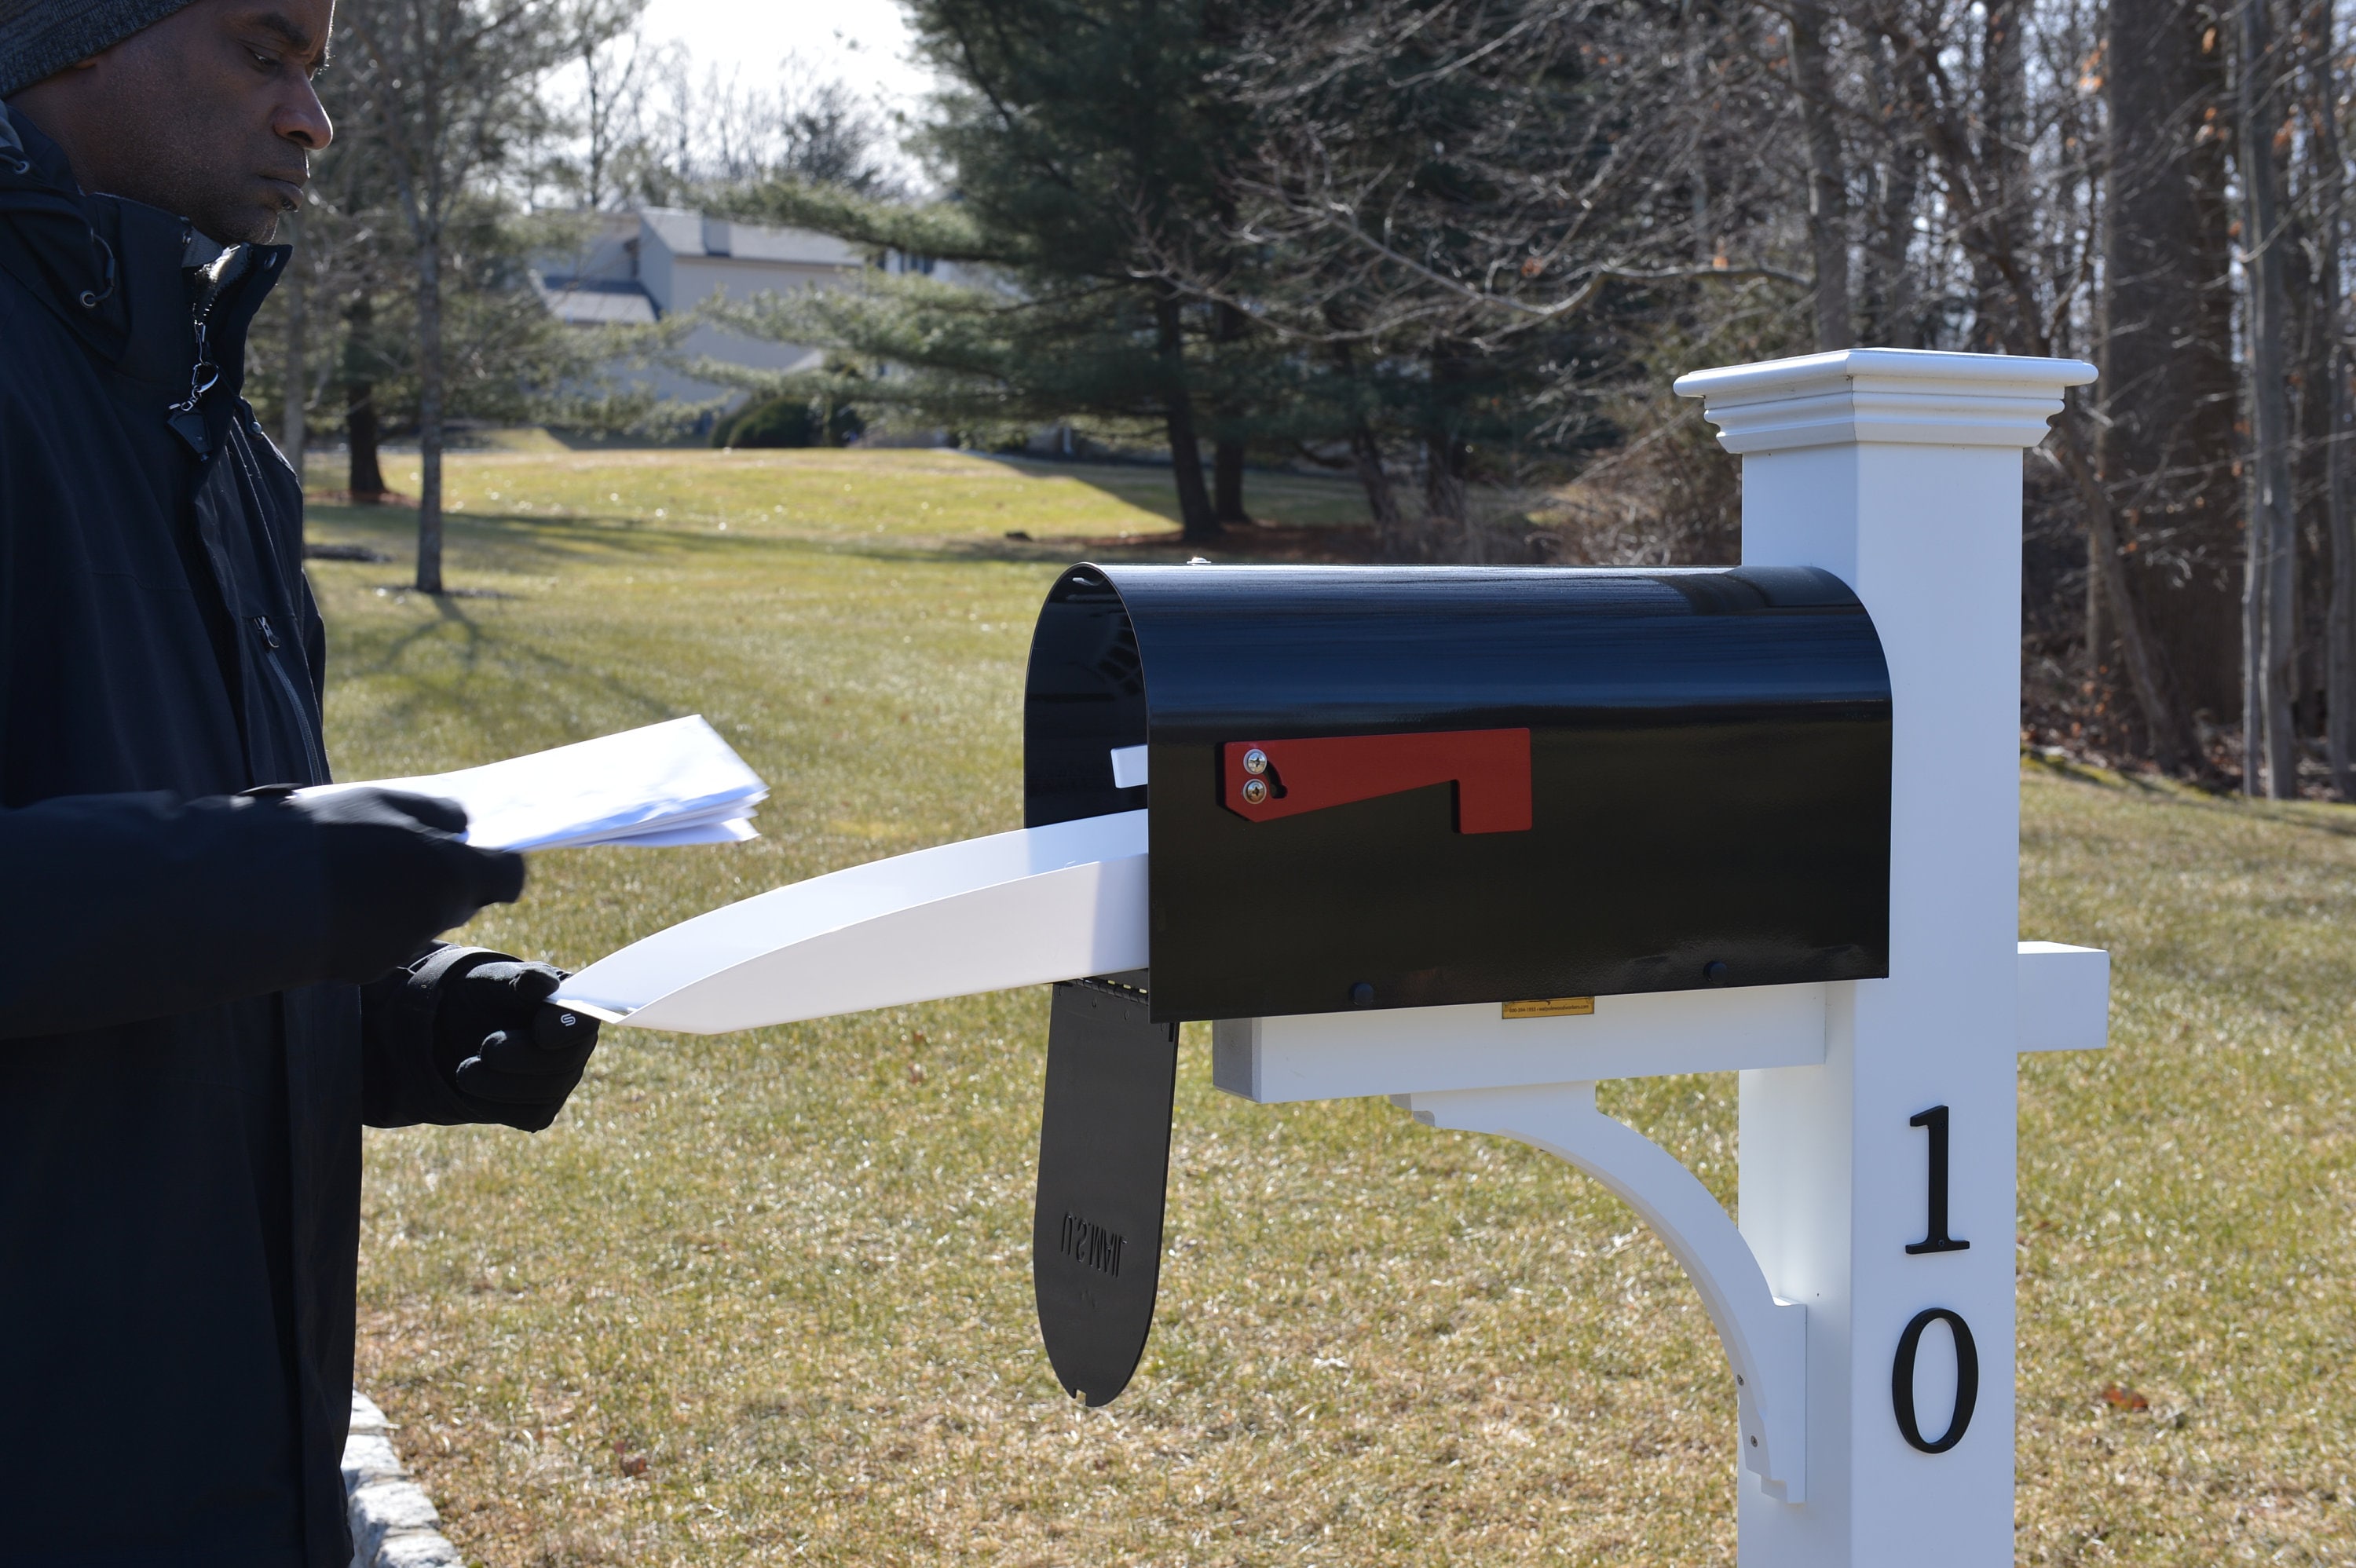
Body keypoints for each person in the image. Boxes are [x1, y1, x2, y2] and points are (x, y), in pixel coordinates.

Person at [0, 1, 602, 1560]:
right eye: (267, 55)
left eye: (319, 74)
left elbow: (197, 908)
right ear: (72, 39)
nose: (311, 122)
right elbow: (222, 880)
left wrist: (407, 1016)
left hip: (244, 1479)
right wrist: (280, 884)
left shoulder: (226, 456)